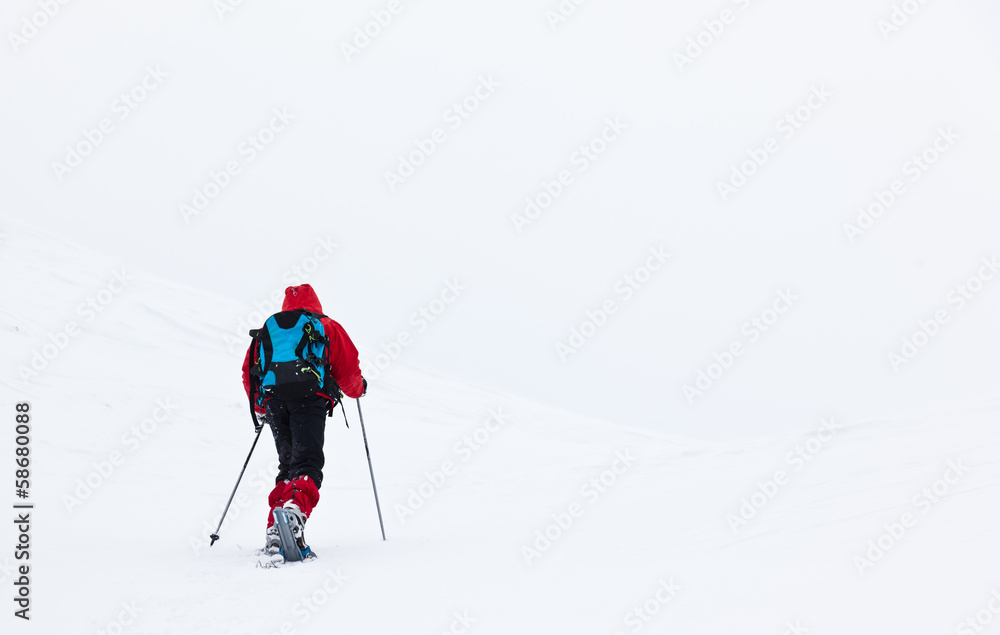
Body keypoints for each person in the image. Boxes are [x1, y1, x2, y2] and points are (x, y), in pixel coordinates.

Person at [241, 283, 365, 557]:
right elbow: (348, 367)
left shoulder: (268, 330)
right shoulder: (326, 325)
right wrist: (359, 390)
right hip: (309, 399)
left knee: (287, 465)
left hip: (274, 401)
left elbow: (249, 371)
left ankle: (277, 527)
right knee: (307, 463)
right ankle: (294, 515)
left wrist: (261, 405)